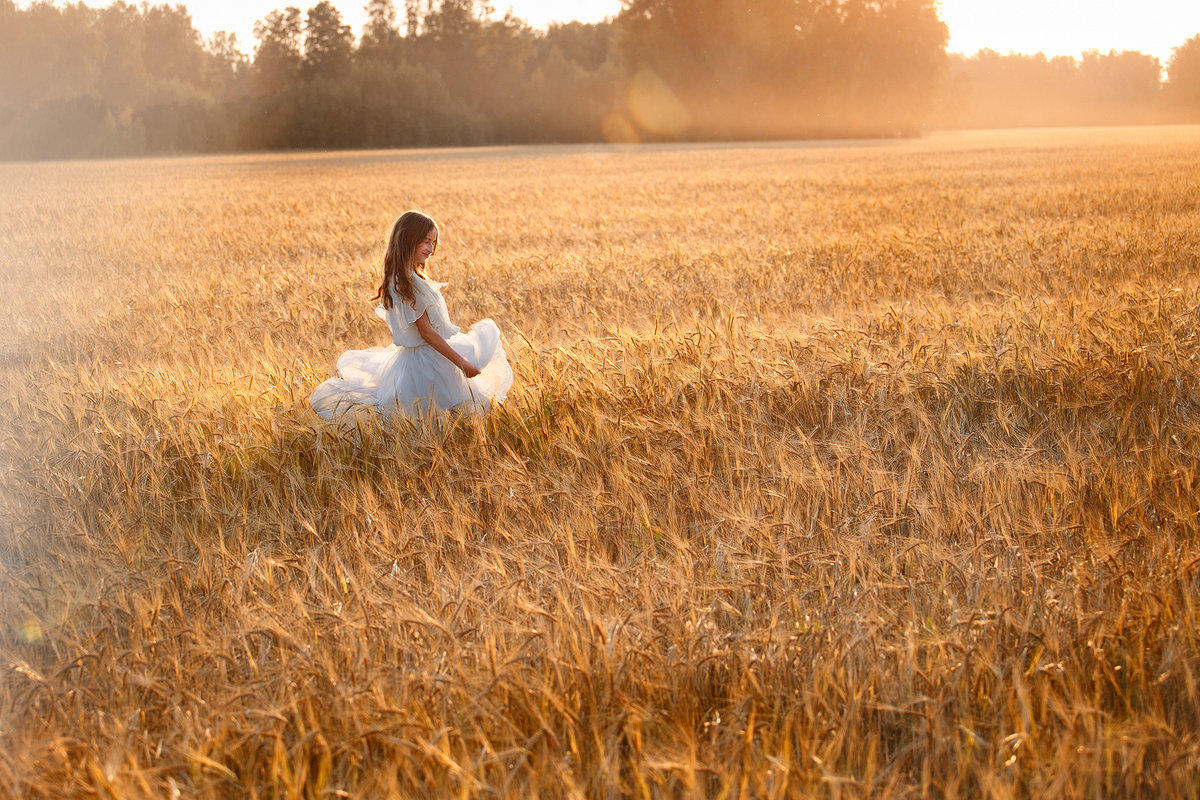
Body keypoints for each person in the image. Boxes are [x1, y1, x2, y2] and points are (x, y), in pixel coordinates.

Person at [309, 211, 512, 422]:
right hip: (426, 364)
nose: (431, 249)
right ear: (408, 240)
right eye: (426, 242)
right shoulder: (405, 282)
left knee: (443, 418)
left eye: (434, 243)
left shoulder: (411, 277)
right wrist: (461, 362)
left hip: (430, 357)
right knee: (429, 419)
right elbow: (426, 332)